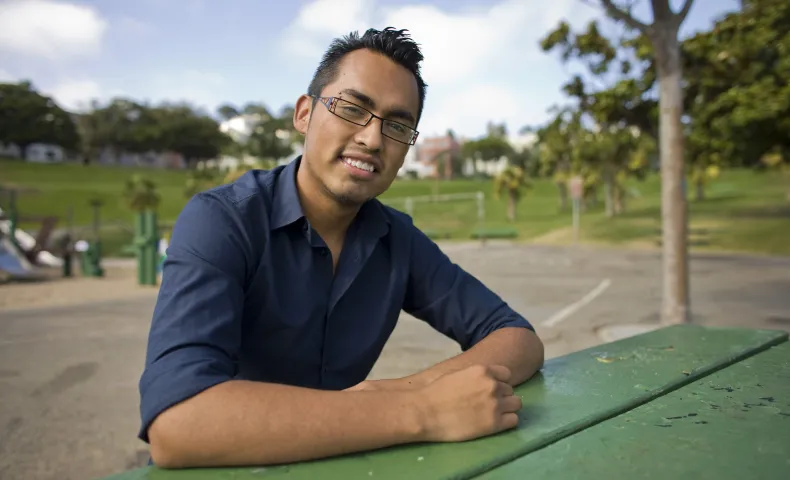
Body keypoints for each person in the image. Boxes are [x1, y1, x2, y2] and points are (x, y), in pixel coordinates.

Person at [139, 26, 544, 469]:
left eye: (397, 125)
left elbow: (517, 338)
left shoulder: (396, 238)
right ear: (304, 114)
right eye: (353, 109)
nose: (373, 139)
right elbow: (178, 422)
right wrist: (420, 411)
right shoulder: (224, 221)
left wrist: (405, 391)